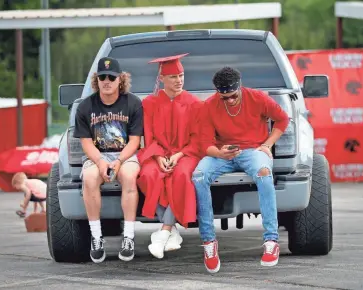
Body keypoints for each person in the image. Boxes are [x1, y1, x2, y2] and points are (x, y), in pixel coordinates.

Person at [192, 66, 290, 273]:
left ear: (240, 87)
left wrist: (267, 144)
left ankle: (271, 240)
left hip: (253, 150)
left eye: (233, 96)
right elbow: (204, 144)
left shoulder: (257, 98)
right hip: (222, 153)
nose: (229, 101)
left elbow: (283, 119)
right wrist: (220, 153)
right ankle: (209, 242)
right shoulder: (209, 106)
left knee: (264, 173)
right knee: (199, 176)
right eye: (224, 98)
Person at [73, 57, 143, 263]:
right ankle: (96, 237)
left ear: (120, 79)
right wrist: (101, 161)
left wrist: (119, 161)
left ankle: (128, 237)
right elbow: (86, 142)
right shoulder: (86, 106)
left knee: (130, 176)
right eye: (102, 77)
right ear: (97, 80)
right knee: (89, 178)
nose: (107, 81)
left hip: (125, 154)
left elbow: (135, 141)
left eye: (111, 77)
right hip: (96, 156)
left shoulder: (133, 103)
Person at [137, 53, 203, 259]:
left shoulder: (194, 103)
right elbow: (148, 136)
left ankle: (164, 230)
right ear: (162, 79)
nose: (179, 80)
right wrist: (157, 157)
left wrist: (179, 155)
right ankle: (172, 232)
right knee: (148, 175)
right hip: (157, 153)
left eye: (181, 75)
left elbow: (197, 138)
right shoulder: (150, 103)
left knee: (182, 176)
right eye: (173, 76)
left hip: (186, 153)